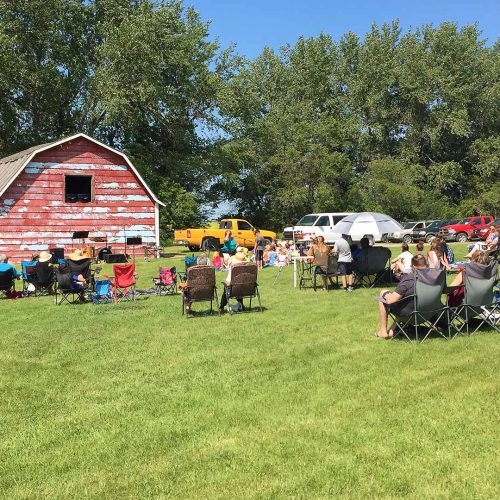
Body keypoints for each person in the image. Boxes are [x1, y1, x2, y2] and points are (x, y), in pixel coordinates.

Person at [373, 253, 428, 338]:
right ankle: (391, 330)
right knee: (406, 302)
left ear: (413, 266)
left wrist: (386, 296)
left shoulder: (409, 279)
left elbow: (390, 301)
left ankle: (383, 332)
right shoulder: (433, 277)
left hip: (410, 314)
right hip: (428, 312)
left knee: (383, 295)